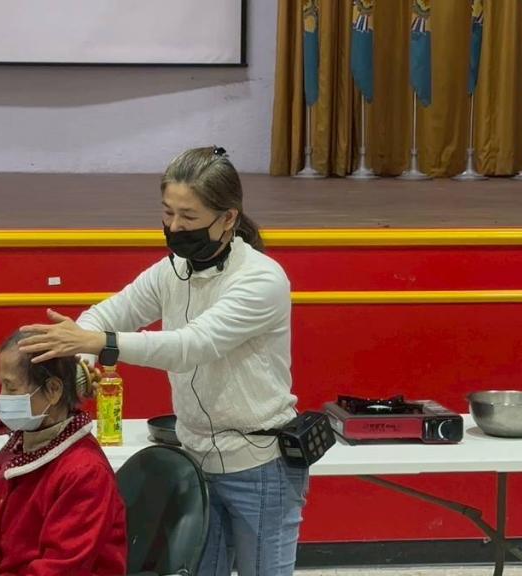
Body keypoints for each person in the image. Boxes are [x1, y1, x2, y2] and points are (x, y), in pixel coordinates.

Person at [17, 146, 306, 576]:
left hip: (259, 466)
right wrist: (80, 356)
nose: (174, 227)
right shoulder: (173, 270)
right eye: (168, 213)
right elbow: (105, 314)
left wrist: (99, 343)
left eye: (188, 217)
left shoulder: (261, 279)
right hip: (194, 461)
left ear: (228, 217)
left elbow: (190, 346)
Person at [0, 331, 127, 576]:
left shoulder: (85, 473)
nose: (1, 397)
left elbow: (60, 568)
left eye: (11, 387)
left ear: (53, 390)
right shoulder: (20, 449)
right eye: (1, 385)